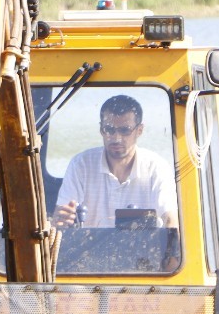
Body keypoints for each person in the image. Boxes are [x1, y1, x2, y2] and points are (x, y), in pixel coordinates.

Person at [52, 94, 178, 229]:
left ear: (139, 130)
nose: (116, 138)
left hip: (143, 249)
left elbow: (170, 221)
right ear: (101, 129)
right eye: (109, 129)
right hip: (88, 248)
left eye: (125, 130)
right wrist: (61, 220)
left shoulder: (157, 168)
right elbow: (60, 219)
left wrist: (171, 244)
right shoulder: (81, 165)